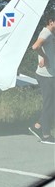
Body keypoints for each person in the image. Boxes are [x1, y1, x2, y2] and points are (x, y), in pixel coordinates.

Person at [29, 13, 55, 144]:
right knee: (49, 105)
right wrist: (44, 57)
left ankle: (38, 126)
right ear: (51, 22)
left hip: (50, 75)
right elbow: (35, 46)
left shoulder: (51, 34)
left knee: (51, 104)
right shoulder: (47, 33)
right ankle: (45, 135)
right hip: (46, 76)